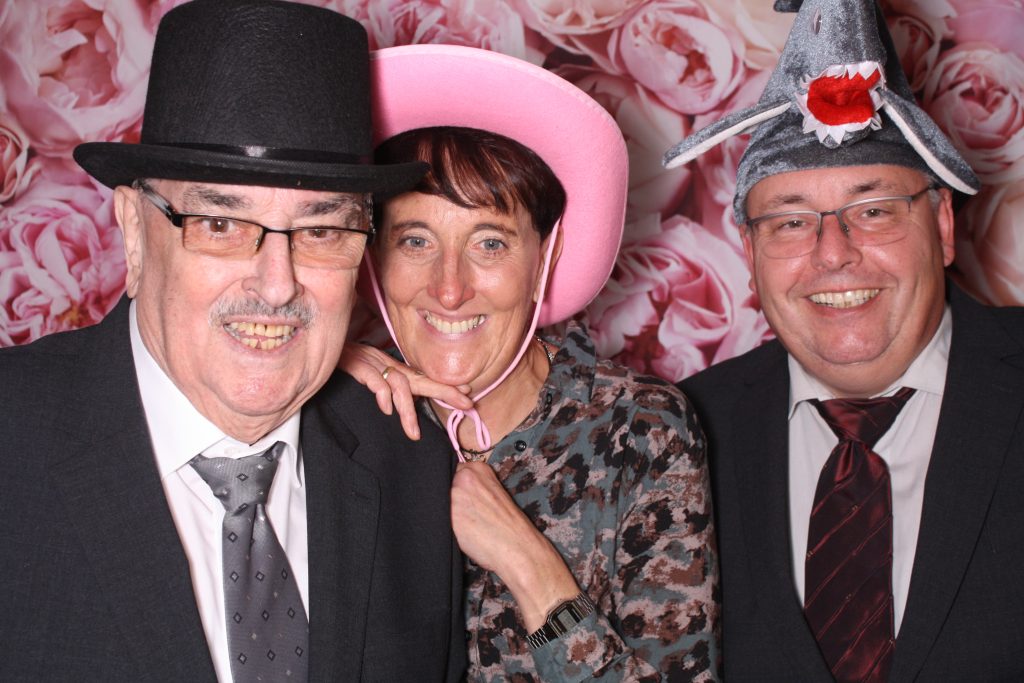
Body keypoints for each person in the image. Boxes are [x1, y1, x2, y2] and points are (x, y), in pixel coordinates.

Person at [0, 1, 464, 681]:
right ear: (134, 233)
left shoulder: (413, 465)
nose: (277, 285)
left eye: (322, 230)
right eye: (220, 223)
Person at [663, 0, 1024, 681]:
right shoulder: (676, 433)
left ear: (943, 225)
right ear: (749, 254)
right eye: (790, 222)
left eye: (874, 210)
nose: (833, 253)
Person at [342, 44, 720, 681]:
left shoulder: (640, 432)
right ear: (374, 253)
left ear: (546, 255)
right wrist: (319, 368)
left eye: (490, 243)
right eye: (415, 240)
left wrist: (531, 568)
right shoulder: (338, 424)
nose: (449, 288)